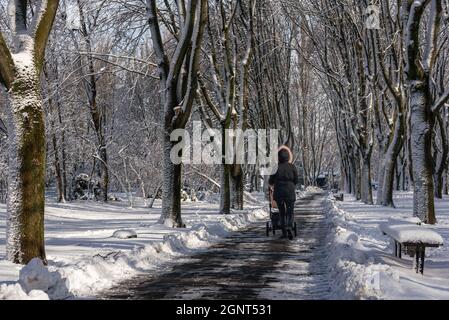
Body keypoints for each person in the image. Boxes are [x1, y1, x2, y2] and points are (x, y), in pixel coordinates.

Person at [269, 146, 298, 240]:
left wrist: (273, 184)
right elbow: (296, 180)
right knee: (290, 211)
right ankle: (289, 226)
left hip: (279, 193)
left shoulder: (275, 167)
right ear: (288, 156)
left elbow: (271, 181)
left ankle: (284, 232)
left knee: (282, 212)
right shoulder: (292, 167)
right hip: (290, 192)